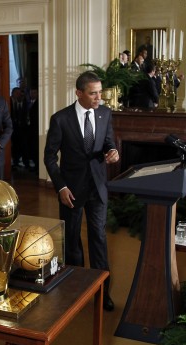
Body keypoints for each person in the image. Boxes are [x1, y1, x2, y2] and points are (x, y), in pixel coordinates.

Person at [43, 71, 118, 312]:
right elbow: (49, 157)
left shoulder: (105, 114)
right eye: (93, 93)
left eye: (100, 92)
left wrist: (113, 151)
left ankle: (102, 292)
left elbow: (108, 142)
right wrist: (61, 186)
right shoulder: (60, 119)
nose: (99, 98)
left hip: (98, 187)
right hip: (71, 190)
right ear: (79, 93)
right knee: (72, 241)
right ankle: (76, 290)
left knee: (98, 237)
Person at [10, 87, 25, 168]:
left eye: (20, 93)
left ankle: (16, 161)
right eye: (18, 93)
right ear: (13, 93)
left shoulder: (19, 102)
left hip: (17, 129)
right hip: (9, 128)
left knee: (17, 145)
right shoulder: (8, 100)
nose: (19, 95)